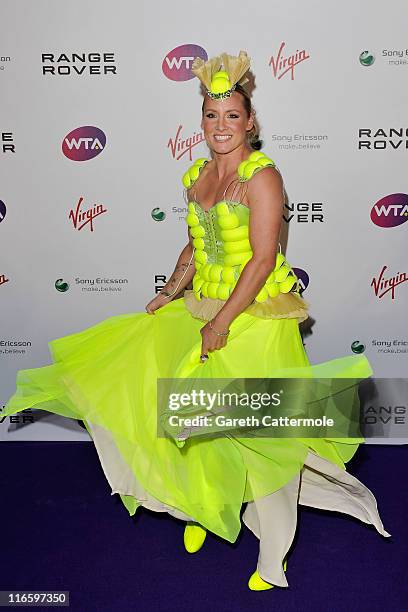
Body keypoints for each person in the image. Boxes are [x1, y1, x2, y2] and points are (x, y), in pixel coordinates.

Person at [1, 50, 390, 591]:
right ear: (200, 121)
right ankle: (204, 511)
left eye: (232, 115)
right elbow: (194, 247)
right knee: (192, 426)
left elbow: (260, 260)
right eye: (212, 114)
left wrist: (222, 323)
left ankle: (273, 558)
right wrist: (168, 293)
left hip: (254, 321)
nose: (222, 125)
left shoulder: (264, 177)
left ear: (250, 121)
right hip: (204, 310)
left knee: (262, 436)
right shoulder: (197, 175)